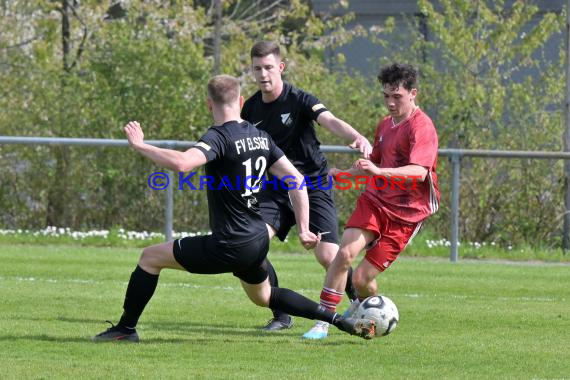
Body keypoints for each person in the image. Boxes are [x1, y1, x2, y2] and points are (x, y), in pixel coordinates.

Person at [92, 74, 376, 342]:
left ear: (208, 104)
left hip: (228, 243)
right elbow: (297, 180)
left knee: (149, 258)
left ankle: (125, 328)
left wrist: (141, 146)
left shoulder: (218, 137)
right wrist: (303, 228)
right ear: (241, 102)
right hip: (255, 240)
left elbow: (182, 163)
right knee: (264, 296)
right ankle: (339, 320)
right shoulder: (260, 136)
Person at [241, 41, 372, 337]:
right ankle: (281, 314)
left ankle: (355, 300)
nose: (263, 74)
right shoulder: (250, 108)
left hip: (313, 184)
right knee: (251, 246)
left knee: (329, 257)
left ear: (281, 68)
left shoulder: (299, 99)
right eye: (257, 68)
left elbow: (330, 120)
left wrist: (355, 136)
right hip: (275, 189)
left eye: (269, 67)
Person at [311, 63, 440, 339]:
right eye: (386, 96)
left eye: (397, 96)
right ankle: (323, 321)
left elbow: (418, 172)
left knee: (361, 279)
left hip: (406, 214)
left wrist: (379, 172)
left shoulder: (422, 127)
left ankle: (364, 308)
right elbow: (375, 163)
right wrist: (343, 175)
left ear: (413, 93)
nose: (390, 103)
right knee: (344, 254)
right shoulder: (385, 124)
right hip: (375, 201)